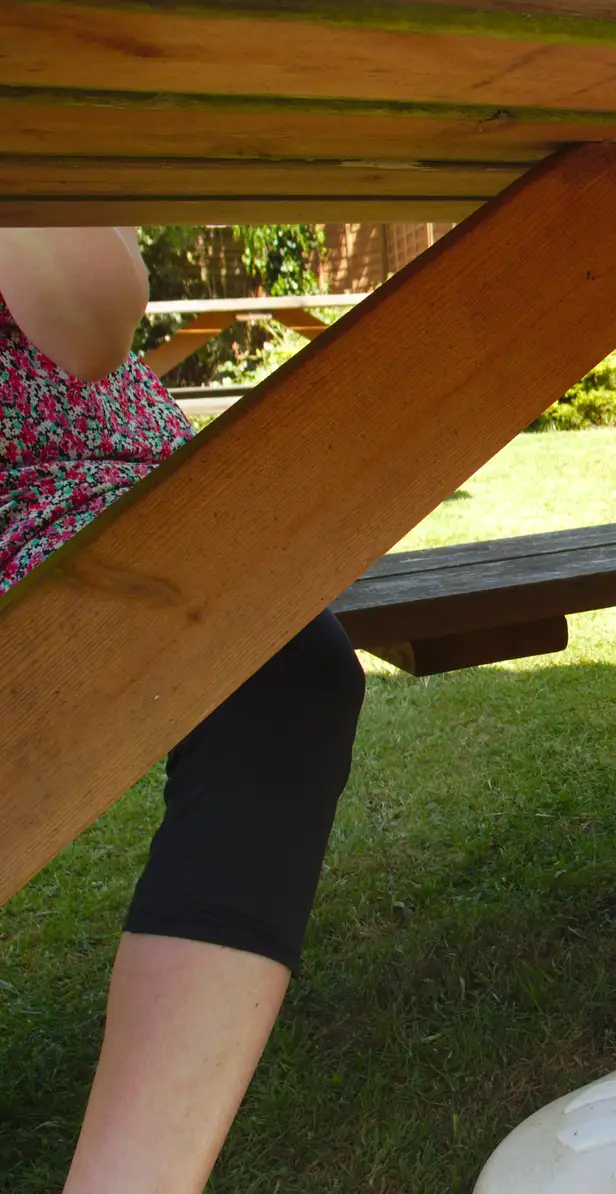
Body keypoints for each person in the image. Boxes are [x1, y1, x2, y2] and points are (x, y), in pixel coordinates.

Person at [0, 227, 365, 1194]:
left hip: (127, 481)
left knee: (282, 675)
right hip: (36, 496)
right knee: (281, 676)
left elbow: (91, 331)